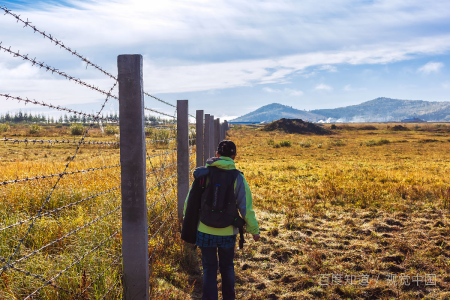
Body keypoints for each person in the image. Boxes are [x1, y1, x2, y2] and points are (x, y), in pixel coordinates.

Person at [183, 140, 260, 300]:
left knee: (209, 268)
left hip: (204, 230)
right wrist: (254, 230)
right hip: (228, 231)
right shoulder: (238, 177)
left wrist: (187, 222)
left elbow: (189, 202)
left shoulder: (203, 175)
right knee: (227, 267)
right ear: (234, 156)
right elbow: (246, 207)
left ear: (217, 155)